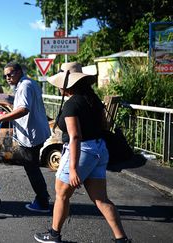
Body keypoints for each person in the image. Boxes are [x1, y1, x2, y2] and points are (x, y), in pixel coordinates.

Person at [34, 62, 130, 243]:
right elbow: (103, 126)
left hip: (81, 152)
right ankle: (121, 239)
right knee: (101, 199)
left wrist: (74, 169)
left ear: (68, 84)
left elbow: (75, 137)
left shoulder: (72, 105)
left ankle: (54, 235)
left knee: (62, 195)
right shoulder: (93, 99)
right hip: (99, 149)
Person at [0, 62, 51, 212]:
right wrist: (4, 114)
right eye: (5, 76)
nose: (7, 78)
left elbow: (23, 110)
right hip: (36, 132)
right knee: (33, 168)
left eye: (10, 74)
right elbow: (20, 108)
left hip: (31, 135)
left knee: (32, 169)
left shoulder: (24, 86)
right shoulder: (29, 83)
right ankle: (43, 197)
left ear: (19, 72)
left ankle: (42, 201)